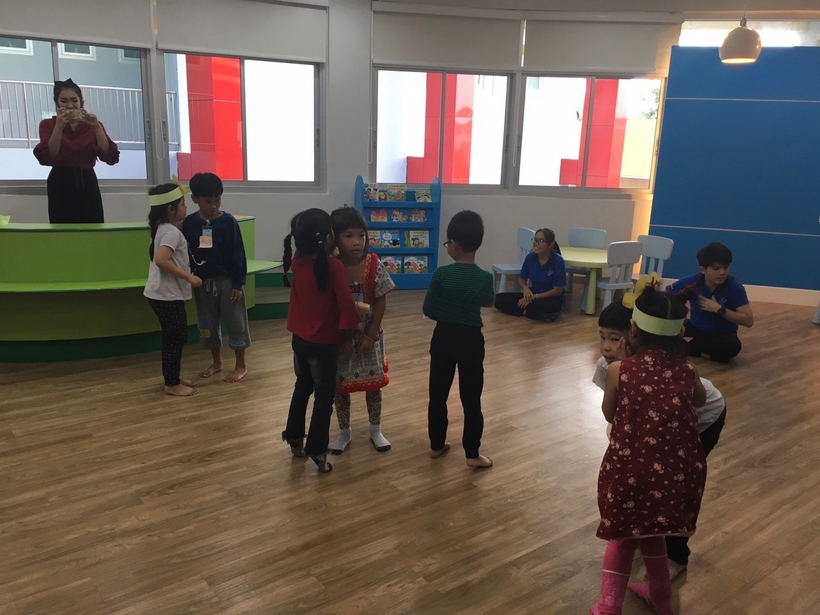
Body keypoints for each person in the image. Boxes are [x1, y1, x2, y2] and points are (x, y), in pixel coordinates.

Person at [591, 286, 708, 615]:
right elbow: (699, 400)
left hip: (633, 472)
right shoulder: (687, 369)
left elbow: (609, 414)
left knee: (623, 537)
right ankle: (662, 599)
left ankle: (608, 608)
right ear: (679, 334)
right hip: (679, 473)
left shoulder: (620, 370)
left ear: (633, 329)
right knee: (653, 533)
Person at [281, 208, 363, 473]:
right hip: (323, 343)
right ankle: (317, 451)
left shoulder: (297, 259)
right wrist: (353, 329)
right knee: (324, 397)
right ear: (329, 238)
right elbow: (345, 305)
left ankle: (295, 439)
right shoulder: (333, 266)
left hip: (299, 339)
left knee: (302, 387)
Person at [422, 210, 496, 469]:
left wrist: (448, 311)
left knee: (437, 394)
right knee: (471, 399)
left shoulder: (441, 274)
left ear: (453, 245)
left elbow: (429, 308)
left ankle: (436, 445)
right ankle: (472, 454)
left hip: (443, 337)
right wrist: (465, 308)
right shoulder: (485, 277)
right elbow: (489, 302)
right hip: (471, 341)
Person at [328, 207, 395, 455]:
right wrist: (339, 338)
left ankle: (376, 430)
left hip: (369, 336)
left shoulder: (374, 264)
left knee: (373, 386)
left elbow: (381, 302)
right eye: (348, 236)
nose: (356, 242)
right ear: (334, 238)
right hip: (341, 338)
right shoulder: (330, 267)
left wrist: (370, 335)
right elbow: (326, 305)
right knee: (340, 389)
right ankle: (344, 432)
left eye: (361, 235)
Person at [182, 172, 250, 383]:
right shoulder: (190, 223)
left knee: (235, 322)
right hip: (202, 282)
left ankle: (240, 365)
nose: (213, 205)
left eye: (217, 200)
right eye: (207, 201)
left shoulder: (228, 222)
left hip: (227, 281)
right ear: (194, 199)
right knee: (207, 324)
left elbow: (238, 253)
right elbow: (185, 252)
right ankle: (217, 362)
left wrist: (238, 283)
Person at [143, 182, 203, 397]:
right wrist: (188, 276)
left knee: (175, 337)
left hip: (162, 294)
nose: (185, 208)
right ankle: (171, 383)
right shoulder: (171, 233)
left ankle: (173, 377)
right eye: (183, 204)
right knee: (175, 338)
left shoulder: (163, 228)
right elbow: (162, 260)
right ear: (171, 209)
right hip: (166, 296)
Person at [33, 79, 120, 223]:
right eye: (64, 101)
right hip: (60, 181)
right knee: (62, 228)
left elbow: (108, 155)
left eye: (74, 100)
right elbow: (50, 156)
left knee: (94, 227)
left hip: (87, 180)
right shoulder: (48, 124)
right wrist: (59, 126)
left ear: (81, 102)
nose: (70, 105)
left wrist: (97, 127)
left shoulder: (92, 124)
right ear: (57, 103)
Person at [665, 242, 754, 363]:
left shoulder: (734, 287)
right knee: (664, 328)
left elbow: (748, 321)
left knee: (733, 347)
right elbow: (667, 295)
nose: (722, 272)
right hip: (695, 327)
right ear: (703, 269)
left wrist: (719, 309)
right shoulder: (693, 281)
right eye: (716, 268)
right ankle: (699, 350)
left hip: (721, 334)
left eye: (725, 267)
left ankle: (689, 347)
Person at [493, 228, 566, 321]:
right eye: (535, 240)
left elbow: (557, 291)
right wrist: (525, 288)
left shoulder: (558, 261)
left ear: (550, 244)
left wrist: (534, 297)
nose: (536, 243)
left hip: (550, 298)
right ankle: (529, 311)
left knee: (548, 306)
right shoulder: (530, 257)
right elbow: (521, 279)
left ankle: (526, 310)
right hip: (533, 293)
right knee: (498, 299)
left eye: (541, 241)